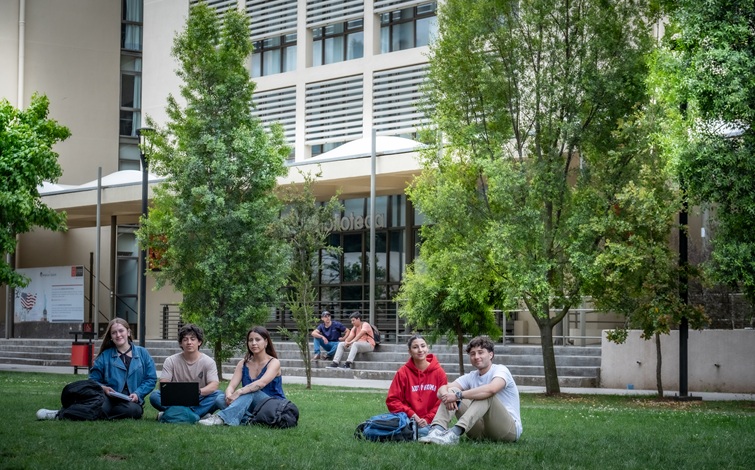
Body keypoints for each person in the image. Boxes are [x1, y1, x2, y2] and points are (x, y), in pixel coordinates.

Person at [36, 318, 158, 420]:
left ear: (128, 332)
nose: (118, 335)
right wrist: (104, 388)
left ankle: (87, 414)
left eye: (121, 331)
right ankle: (59, 413)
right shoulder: (105, 356)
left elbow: (151, 378)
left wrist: (138, 393)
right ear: (111, 337)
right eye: (114, 332)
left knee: (134, 412)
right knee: (101, 408)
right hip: (106, 398)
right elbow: (93, 380)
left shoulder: (142, 353)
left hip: (130, 400)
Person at [418, 335, 522, 445]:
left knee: (486, 394)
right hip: (480, 431)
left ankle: (453, 434)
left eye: (480, 352)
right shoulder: (471, 376)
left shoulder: (501, 370)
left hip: (507, 430)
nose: (476, 356)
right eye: (472, 354)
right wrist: (447, 395)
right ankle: (436, 430)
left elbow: (491, 389)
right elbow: (442, 389)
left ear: (491, 355)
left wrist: (458, 396)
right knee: (452, 390)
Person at [199, 326, 285, 426]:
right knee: (220, 398)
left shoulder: (274, 362)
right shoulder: (243, 364)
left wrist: (239, 392)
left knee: (252, 391)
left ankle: (221, 418)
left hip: (274, 406)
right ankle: (249, 420)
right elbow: (231, 386)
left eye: (257, 340)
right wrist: (229, 396)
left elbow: (261, 383)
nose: (253, 343)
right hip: (253, 406)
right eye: (250, 340)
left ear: (266, 342)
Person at [149, 323, 223, 419]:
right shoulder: (170, 360)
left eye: (193, 339)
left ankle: (173, 414)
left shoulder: (208, 362)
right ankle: (196, 415)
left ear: (199, 342)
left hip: (199, 397)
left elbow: (214, 385)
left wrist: (197, 392)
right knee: (155, 396)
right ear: (180, 343)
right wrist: (180, 392)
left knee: (219, 395)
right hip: (176, 398)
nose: (189, 342)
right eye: (185, 339)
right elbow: (164, 384)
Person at [385, 334, 447, 437]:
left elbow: (441, 401)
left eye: (423, 346)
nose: (420, 350)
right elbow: (393, 400)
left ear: (427, 348)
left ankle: (425, 432)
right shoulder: (403, 372)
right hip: (408, 419)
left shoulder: (439, 372)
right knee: (414, 430)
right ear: (409, 351)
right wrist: (412, 415)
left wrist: (427, 419)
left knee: (424, 431)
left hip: (433, 421)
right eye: (415, 347)